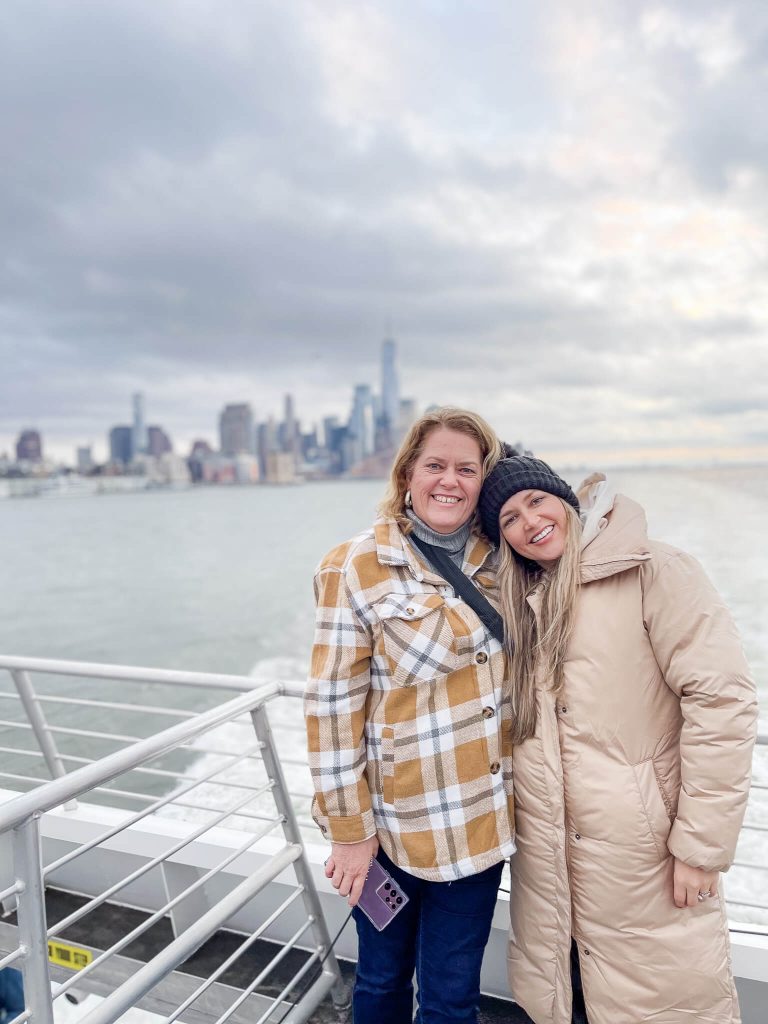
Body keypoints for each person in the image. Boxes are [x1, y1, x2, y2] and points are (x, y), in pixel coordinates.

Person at [477, 454, 758, 1024]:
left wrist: (701, 848)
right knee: (570, 999)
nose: (529, 522)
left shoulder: (657, 570)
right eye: (509, 518)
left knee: (661, 1003)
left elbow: (722, 702)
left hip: (643, 856)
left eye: (536, 501)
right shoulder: (519, 600)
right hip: (549, 859)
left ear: (566, 501)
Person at [305, 407, 515, 1024]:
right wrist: (349, 831)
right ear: (407, 475)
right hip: (387, 833)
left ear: (483, 481)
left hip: (476, 826)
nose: (449, 481)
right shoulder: (353, 565)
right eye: (435, 466)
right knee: (380, 982)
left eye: (467, 469)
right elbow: (332, 709)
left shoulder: (504, 562)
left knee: (452, 999)